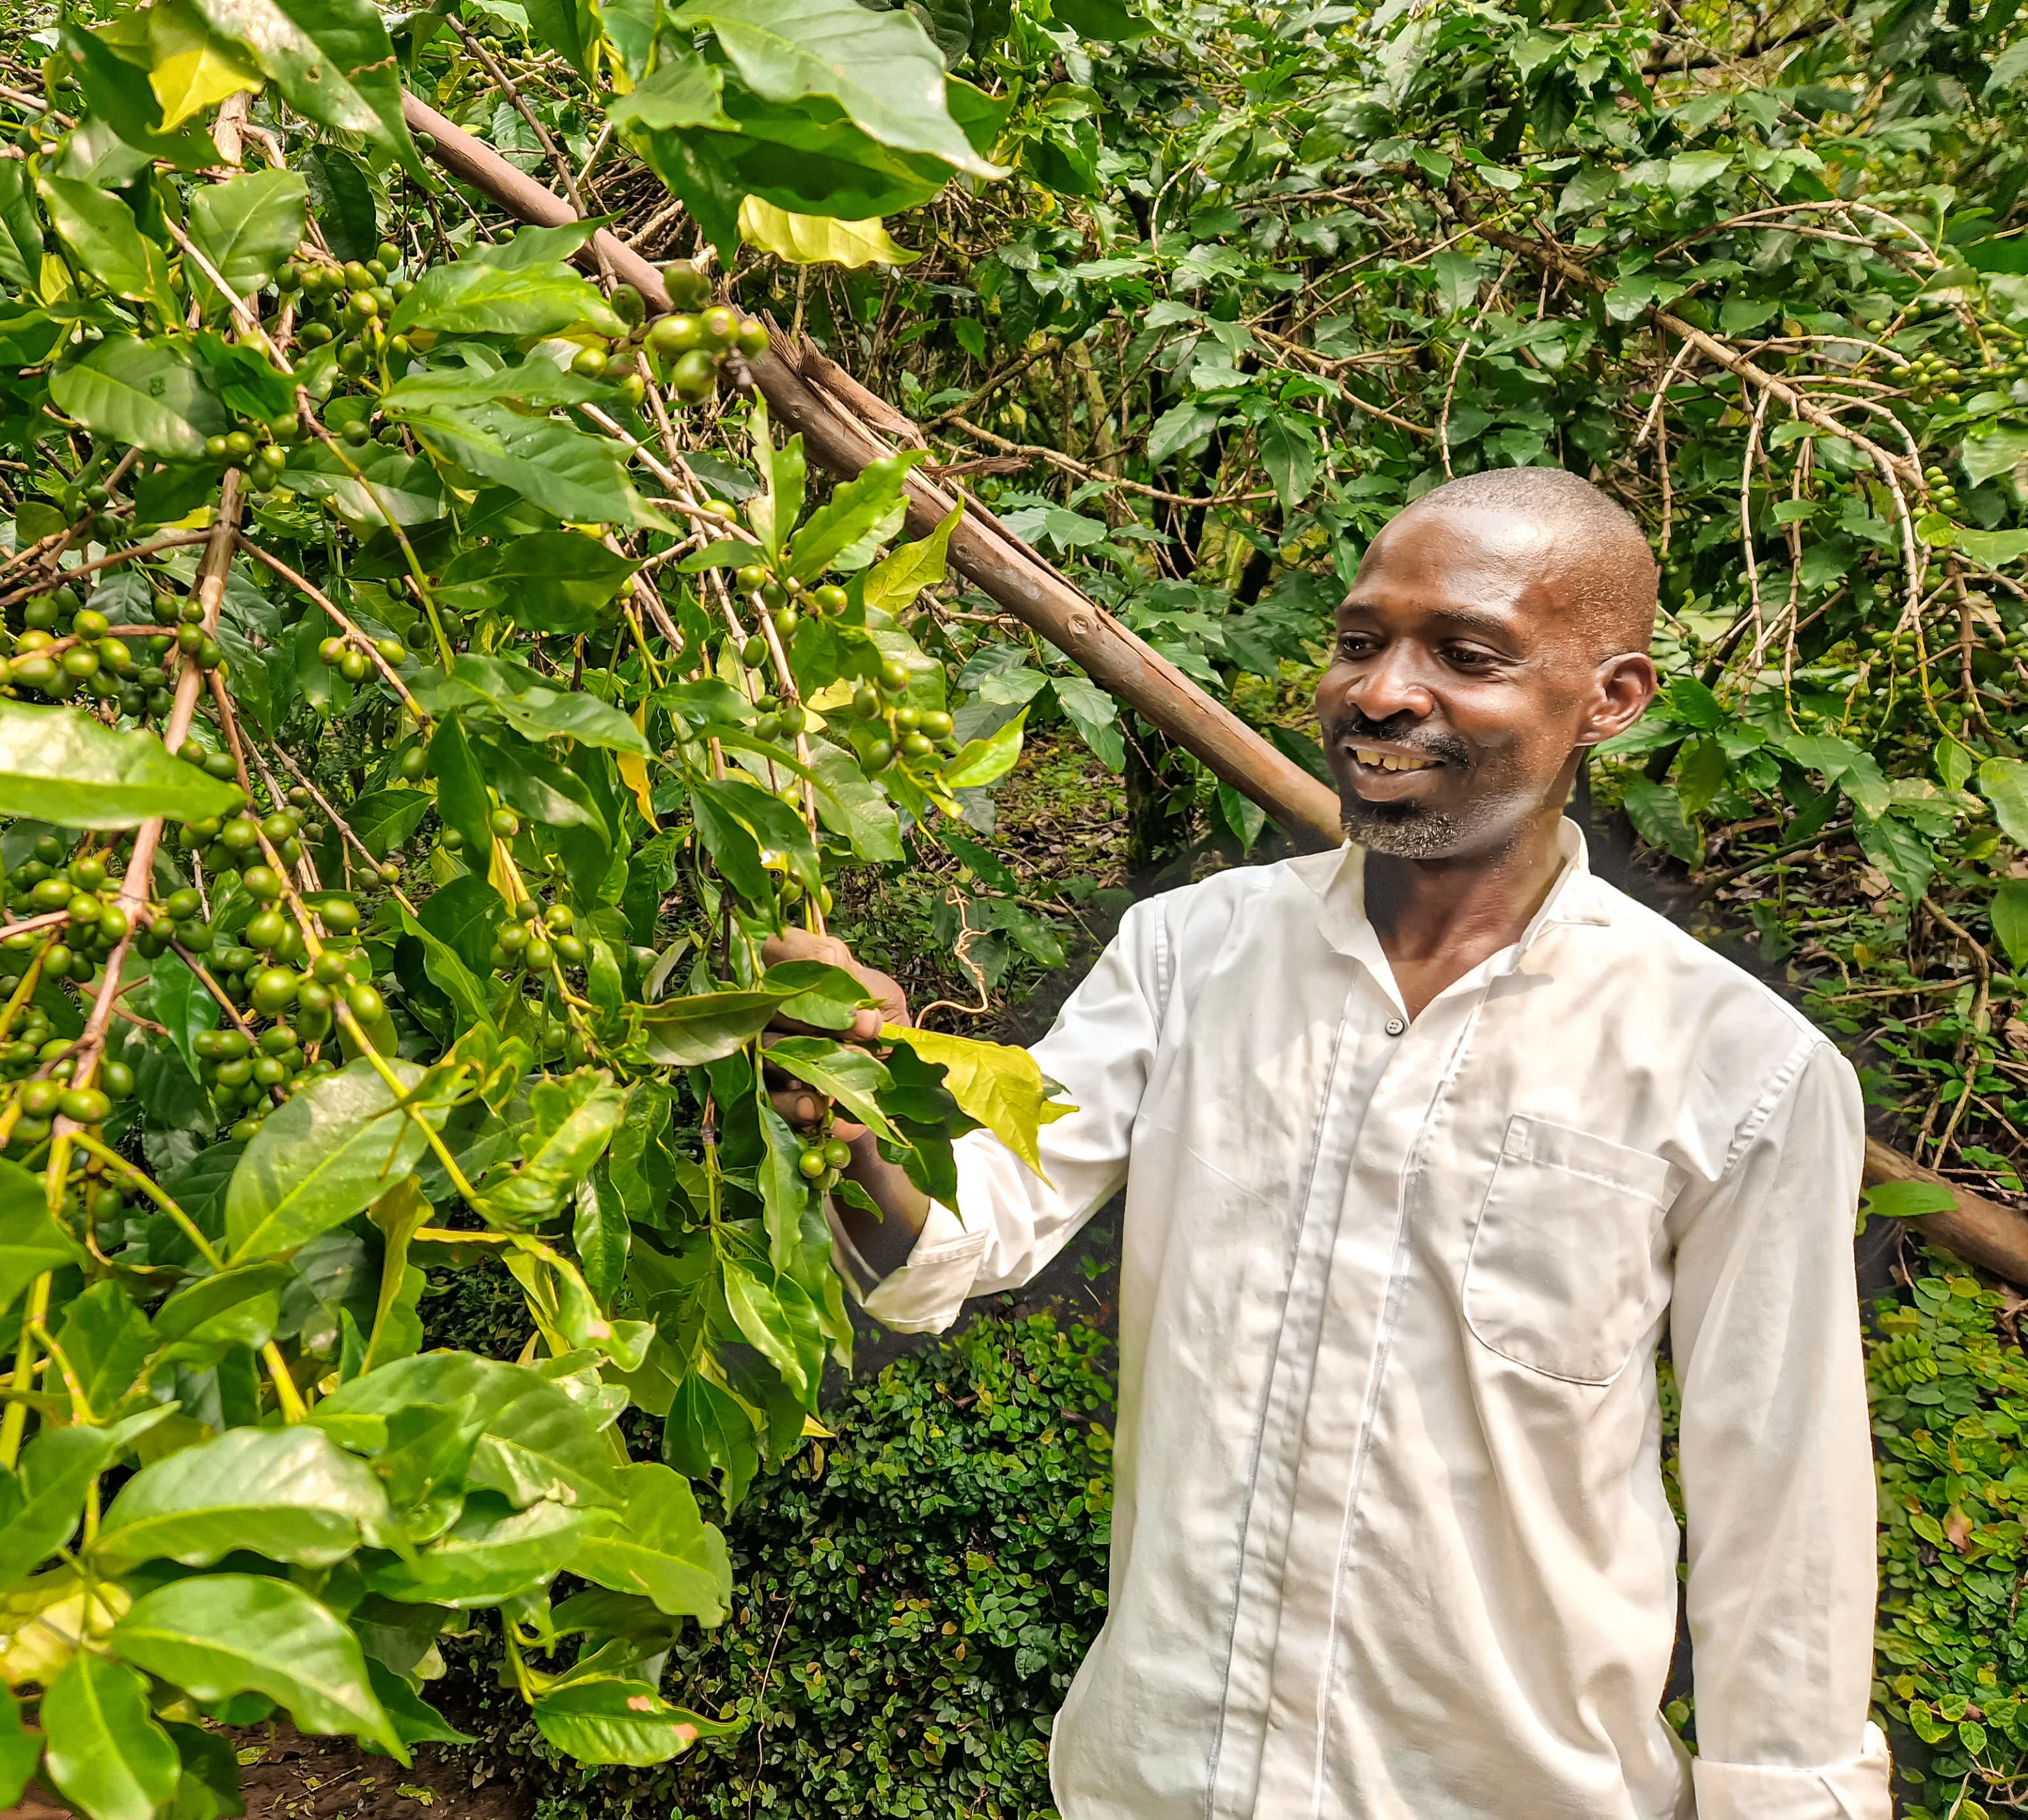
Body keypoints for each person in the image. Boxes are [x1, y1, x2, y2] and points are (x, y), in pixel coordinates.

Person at [769, 467, 1888, 1820]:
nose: (1383, 691)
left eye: (1464, 655)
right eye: (1362, 641)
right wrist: (857, 1103)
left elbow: (1784, 1514)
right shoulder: (1190, 955)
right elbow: (968, 1232)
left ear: (1615, 698)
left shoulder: (1739, 1069)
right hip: (1162, 1783)